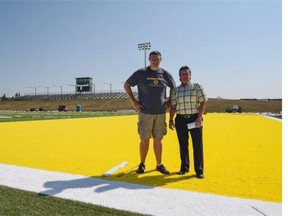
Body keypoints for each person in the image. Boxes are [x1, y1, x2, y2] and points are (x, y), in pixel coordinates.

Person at [124, 50, 176, 174]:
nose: (155, 61)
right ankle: (142, 163)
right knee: (144, 139)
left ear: (161, 60)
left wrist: (169, 102)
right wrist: (134, 102)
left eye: (157, 59)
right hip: (145, 113)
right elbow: (126, 85)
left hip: (160, 112)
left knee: (158, 139)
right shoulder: (141, 72)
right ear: (149, 59)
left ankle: (159, 164)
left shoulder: (165, 74)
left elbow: (174, 87)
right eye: (152, 59)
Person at [169, 66, 208, 178]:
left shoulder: (197, 87)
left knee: (198, 145)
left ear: (190, 75)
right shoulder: (176, 90)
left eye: (186, 74)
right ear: (180, 77)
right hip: (181, 119)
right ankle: (184, 167)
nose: (184, 76)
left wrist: (199, 118)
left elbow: (203, 102)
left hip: (194, 118)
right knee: (183, 145)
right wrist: (171, 120)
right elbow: (173, 106)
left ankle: (199, 170)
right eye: (182, 74)